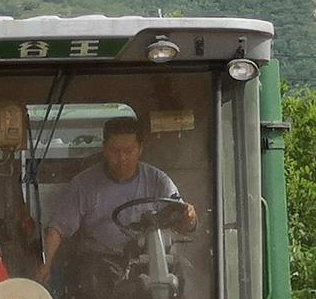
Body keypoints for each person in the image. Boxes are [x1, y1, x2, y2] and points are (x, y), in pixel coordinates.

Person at [39, 115, 197, 281]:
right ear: (104, 149)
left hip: (150, 260)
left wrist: (189, 218)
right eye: (115, 151)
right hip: (99, 262)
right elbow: (57, 228)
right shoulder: (83, 185)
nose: (122, 158)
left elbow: (183, 221)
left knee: (183, 271)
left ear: (140, 149)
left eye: (128, 151)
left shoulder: (158, 181)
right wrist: (45, 265)